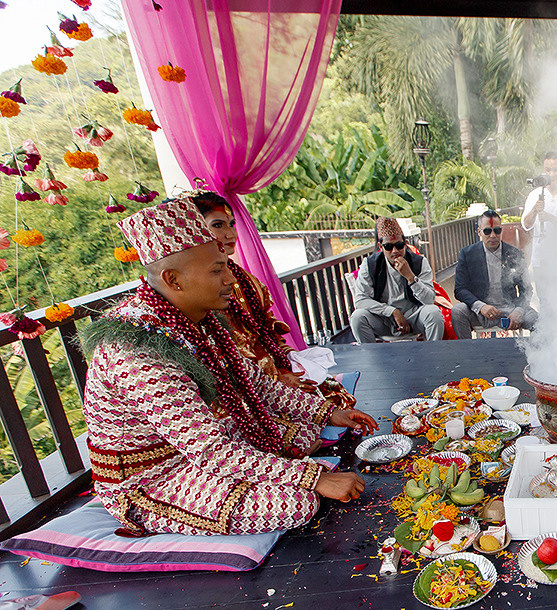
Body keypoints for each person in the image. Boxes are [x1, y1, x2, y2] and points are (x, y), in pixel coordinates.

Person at [80, 198, 378, 536]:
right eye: (216, 270)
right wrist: (315, 479)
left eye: (225, 266)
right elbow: (210, 450)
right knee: (298, 501)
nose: (230, 279)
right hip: (154, 477)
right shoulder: (137, 349)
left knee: (306, 432)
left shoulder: (197, 320)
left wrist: (326, 413)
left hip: (198, 449)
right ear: (173, 280)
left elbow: (256, 383)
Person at [190, 191, 355, 409]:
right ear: (194, 229)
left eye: (231, 224)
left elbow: (266, 329)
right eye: (218, 225)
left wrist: (288, 359)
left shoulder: (243, 278)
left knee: (333, 397)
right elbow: (225, 354)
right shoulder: (198, 289)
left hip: (271, 369)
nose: (230, 234)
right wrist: (277, 379)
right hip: (239, 386)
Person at [350, 217, 446, 343]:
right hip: (384, 319)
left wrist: (411, 277)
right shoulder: (370, 264)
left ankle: (432, 353)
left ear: (405, 243)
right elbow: (360, 300)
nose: (395, 251)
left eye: (399, 245)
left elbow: (429, 300)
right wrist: (392, 311)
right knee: (357, 317)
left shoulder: (419, 262)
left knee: (434, 313)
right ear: (380, 246)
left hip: (413, 316)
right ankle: (371, 353)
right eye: (388, 247)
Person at [450, 210, 537, 338]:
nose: (493, 235)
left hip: (510, 308)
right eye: (487, 231)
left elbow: (527, 289)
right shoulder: (468, 254)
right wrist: (480, 306)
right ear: (479, 232)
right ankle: (468, 349)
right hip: (480, 311)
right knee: (458, 311)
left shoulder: (514, 254)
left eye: (497, 230)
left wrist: (518, 310)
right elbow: (460, 289)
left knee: (536, 320)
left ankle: (530, 351)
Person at [520, 151, 557, 273]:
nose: (551, 175)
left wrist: (550, 218)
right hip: (540, 258)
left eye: (555, 170)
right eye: (548, 170)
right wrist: (535, 210)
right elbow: (526, 225)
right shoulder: (534, 195)